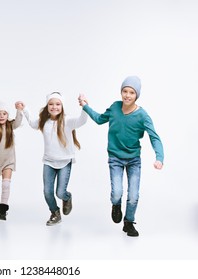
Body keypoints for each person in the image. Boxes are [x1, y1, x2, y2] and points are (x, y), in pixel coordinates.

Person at [79, 76, 164, 237]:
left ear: (136, 95)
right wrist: (85, 106)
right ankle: (116, 205)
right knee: (117, 192)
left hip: (133, 160)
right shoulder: (115, 107)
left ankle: (129, 222)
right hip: (115, 158)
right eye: (125, 91)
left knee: (133, 195)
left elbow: (154, 137)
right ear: (121, 92)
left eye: (131, 92)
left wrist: (159, 157)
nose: (127, 95)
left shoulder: (142, 115)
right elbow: (99, 119)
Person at [20, 92, 87, 226]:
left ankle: (67, 197)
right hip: (49, 162)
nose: (54, 107)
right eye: (51, 104)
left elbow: (82, 121)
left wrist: (84, 106)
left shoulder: (67, 121)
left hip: (65, 161)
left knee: (60, 192)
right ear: (47, 106)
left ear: (62, 106)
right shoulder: (44, 121)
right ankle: (55, 213)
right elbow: (33, 123)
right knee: (47, 192)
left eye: (57, 104)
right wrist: (24, 109)